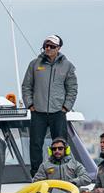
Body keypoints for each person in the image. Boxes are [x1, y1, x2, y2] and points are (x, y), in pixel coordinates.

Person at [21, 35, 78, 174]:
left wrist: (66, 107)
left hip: (58, 112)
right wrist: (30, 105)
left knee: (60, 144)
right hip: (38, 112)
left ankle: (63, 171)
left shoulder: (67, 66)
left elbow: (72, 88)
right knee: (35, 144)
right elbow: (26, 86)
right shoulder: (34, 64)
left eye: (52, 46)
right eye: (46, 45)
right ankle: (36, 173)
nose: (48, 48)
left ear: (58, 48)